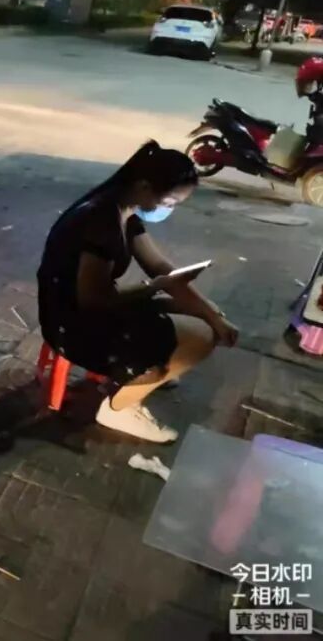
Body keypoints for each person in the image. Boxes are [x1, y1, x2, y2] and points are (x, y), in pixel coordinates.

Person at [37, 141, 239, 443]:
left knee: (206, 316)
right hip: (71, 325)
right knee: (201, 338)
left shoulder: (124, 213)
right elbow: (92, 300)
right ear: (144, 186)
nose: (169, 209)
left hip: (96, 308)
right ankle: (119, 407)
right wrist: (154, 289)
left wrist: (212, 314)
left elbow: (159, 266)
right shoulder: (101, 223)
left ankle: (156, 369)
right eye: (169, 201)